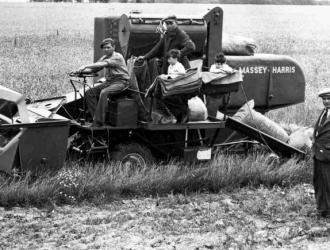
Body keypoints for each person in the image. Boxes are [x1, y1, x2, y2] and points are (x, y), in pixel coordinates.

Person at [76, 38, 129, 127]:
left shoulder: (117, 57)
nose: (106, 50)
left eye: (108, 47)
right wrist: (79, 72)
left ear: (114, 47)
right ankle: (95, 118)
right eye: (104, 48)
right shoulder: (104, 57)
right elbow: (95, 68)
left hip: (121, 82)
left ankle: (99, 121)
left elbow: (102, 64)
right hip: (110, 82)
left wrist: (85, 66)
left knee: (104, 92)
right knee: (89, 93)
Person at [312, 88, 330, 219]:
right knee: (319, 182)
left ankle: (328, 211)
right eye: (324, 99)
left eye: (329, 99)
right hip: (318, 153)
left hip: (328, 154)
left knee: (328, 183)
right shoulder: (324, 112)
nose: (326, 101)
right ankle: (322, 209)